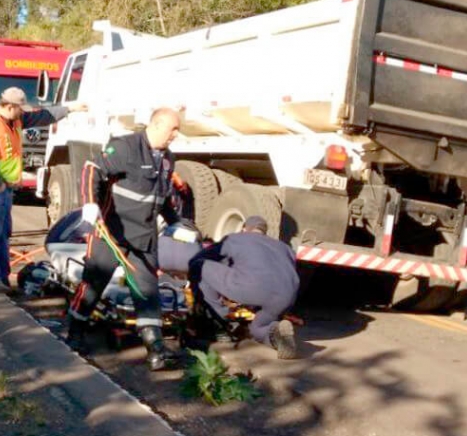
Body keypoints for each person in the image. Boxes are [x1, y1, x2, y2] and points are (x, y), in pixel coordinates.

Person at [65, 108, 186, 371]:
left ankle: (155, 350)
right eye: (172, 129)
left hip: (143, 238)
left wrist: (177, 222)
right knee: (94, 284)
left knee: (147, 291)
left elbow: (161, 196)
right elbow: (91, 170)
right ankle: (75, 332)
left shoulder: (167, 160)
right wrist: (89, 205)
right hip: (111, 233)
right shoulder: (126, 147)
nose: (176, 135)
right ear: (156, 125)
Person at [0, 87, 85, 293]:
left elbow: (43, 116)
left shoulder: (15, 121)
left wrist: (70, 108)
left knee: (3, 234)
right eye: (20, 109)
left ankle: (2, 278)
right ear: (9, 106)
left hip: (3, 187)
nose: (23, 113)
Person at [189, 215, 300, 359]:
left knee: (199, 266)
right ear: (264, 232)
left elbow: (201, 257)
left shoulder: (236, 238)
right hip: (285, 297)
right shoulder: (284, 247)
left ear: (244, 229)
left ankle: (218, 325)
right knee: (257, 328)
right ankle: (275, 333)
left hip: (251, 288)